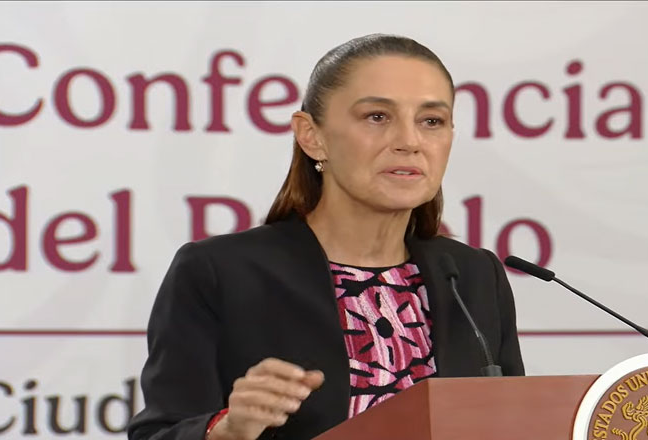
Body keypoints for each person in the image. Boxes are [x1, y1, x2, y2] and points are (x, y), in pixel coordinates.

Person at [128, 34, 524, 440]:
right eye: (377, 116)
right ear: (311, 136)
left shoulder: (474, 276)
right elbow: (159, 432)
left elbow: (516, 424)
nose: (410, 142)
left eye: (431, 121)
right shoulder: (219, 273)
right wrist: (226, 430)